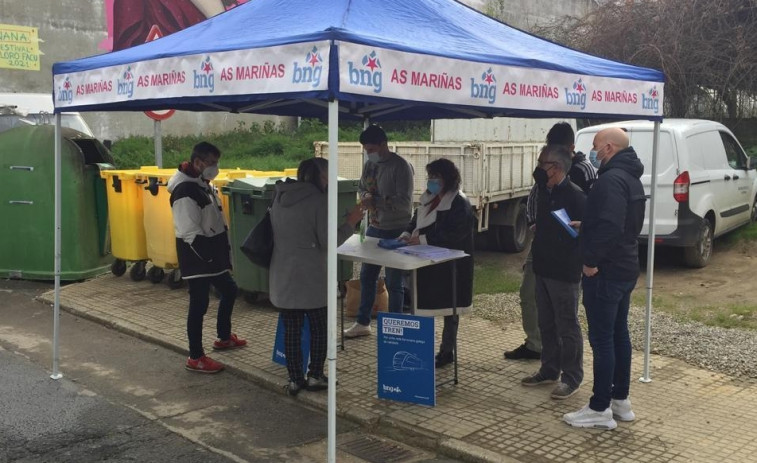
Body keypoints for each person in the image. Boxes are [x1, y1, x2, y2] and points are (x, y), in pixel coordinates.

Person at [563, 127, 646, 430]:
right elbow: (621, 223)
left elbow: (611, 227)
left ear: (609, 148)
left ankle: (599, 408)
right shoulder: (630, 177)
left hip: (607, 272)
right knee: (618, 333)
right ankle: (620, 401)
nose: (593, 152)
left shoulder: (611, 180)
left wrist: (590, 262)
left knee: (602, 339)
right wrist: (587, 224)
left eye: (597, 146)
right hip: (625, 267)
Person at [269, 158, 363, 395]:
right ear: (321, 177)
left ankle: (294, 378)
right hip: (311, 277)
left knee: (292, 328)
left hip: (283, 273)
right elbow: (328, 241)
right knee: (320, 327)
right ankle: (315, 375)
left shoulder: (280, 196)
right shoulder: (319, 201)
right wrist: (351, 221)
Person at [504, 122, 597, 360]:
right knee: (531, 296)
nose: (545, 161)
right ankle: (538, 347)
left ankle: (568, 367)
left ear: (569, 149)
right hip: (541, 245)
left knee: (564, 313)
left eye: (554, 152)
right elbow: (538, 197)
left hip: (565, 252)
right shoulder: (544, 174)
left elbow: (585, 213)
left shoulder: (581, 173)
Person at [168, 141, 246, 373]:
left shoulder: (200, 183)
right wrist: (210, 258)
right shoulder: (185, 191)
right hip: (199, 259)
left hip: (213, 257)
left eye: (216, 162)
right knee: (199, 305)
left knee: (230, 290)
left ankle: (223, 337)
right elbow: (189, 232)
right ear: (197, 162)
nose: (215, 167)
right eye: (211, 163)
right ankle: (195, 356)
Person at [520, 145, 586, 399]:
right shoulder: (545, 192)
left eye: (541, 163)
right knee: (545, 322)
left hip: (565, 272)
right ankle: (549, 369)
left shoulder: (576, 196)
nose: (538, 168)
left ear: (556, 167)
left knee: (567, 325)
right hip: (543, 267)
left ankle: (571, 377)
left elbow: (583, 235)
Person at [399, 159, 474, 368]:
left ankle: (446, 351)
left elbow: (454, 234)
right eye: (430, 177)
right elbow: (416, 219)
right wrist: (407, 233)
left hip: (452, 267)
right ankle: (421, 348)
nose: (431, 181)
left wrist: (423, 239)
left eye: (436, 177)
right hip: (428, 263)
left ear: (447, 179)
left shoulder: (460, 203)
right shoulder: (429, 198)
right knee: (424, 305)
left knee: (451, 309)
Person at [344, 125, 414, 338]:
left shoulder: (401, 167)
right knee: (367, 276)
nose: (369, 153)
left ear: (384, 144)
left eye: (372, 149)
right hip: (374, 226)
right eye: (366, 150)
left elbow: (404, 202)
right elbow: (361, 187)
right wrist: (364, 195)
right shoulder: (369, 165)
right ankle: (363, 322)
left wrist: (376, 201)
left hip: (397, 230)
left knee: (394, 282)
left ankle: (396, 327)